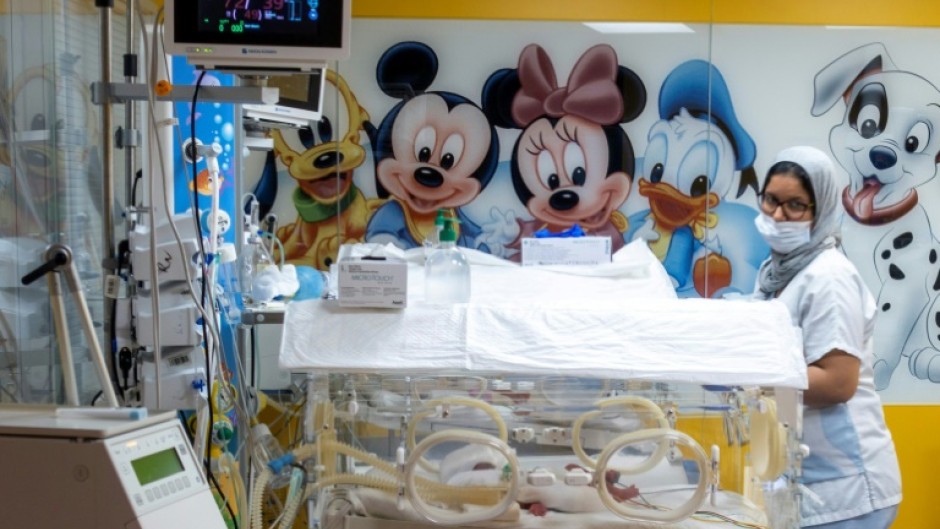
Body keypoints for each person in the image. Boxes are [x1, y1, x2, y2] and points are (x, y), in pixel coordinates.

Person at [753, 146, 902, 528]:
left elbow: (837, 382)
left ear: (820, 213)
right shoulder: (777, 274)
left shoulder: (829, 278)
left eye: (795, 206)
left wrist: (750, 378)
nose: (777, 215)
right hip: (806, 480)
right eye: (771, 199)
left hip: (847, 489)